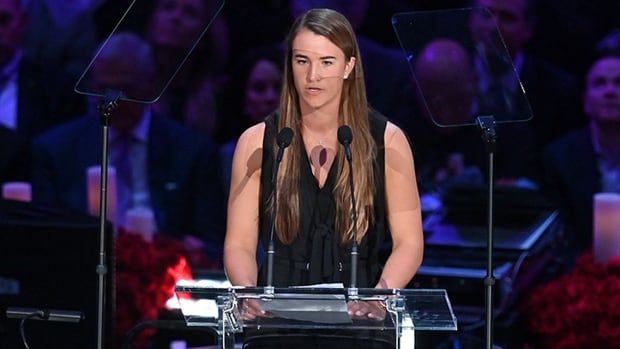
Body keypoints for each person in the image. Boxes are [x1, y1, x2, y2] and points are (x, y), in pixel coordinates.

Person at [223, 8, 424, 348]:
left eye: (327, 62)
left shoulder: (387, 141)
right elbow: (239, 243)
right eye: (302, 61)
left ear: (349, 66)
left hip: (361, 324)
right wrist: (248, 292)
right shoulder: (258, 142)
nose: (312, 75)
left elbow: (409, 243)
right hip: (277, 326)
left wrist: (378, 298)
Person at [31, 32, 226, 266]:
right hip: (82, 270)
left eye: (124, 90)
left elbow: (213, 243)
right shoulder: (55, 151)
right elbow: (46, 240)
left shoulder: (192, 151)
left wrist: (194, 252)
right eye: (103, 89)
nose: (112, 101)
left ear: (149, 85)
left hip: (167, 272)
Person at [542, 30, 620, 266]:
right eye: (600, 83)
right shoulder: (561, 158)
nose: (610, 91)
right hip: (578, 272)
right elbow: (559, 235)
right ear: (586, 100)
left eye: (619, 83)